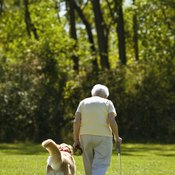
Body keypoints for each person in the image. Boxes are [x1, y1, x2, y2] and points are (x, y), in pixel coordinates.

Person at [73, 84, 122, 175]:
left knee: (88, 162)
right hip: (103, 136)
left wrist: (76, 139)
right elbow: (112, 120)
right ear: (105, 95)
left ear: (93, 94)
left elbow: (77, 121)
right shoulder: (107, 102)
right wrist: (116, 136)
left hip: (85, 135)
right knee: (101, 162)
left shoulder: (83, 102)